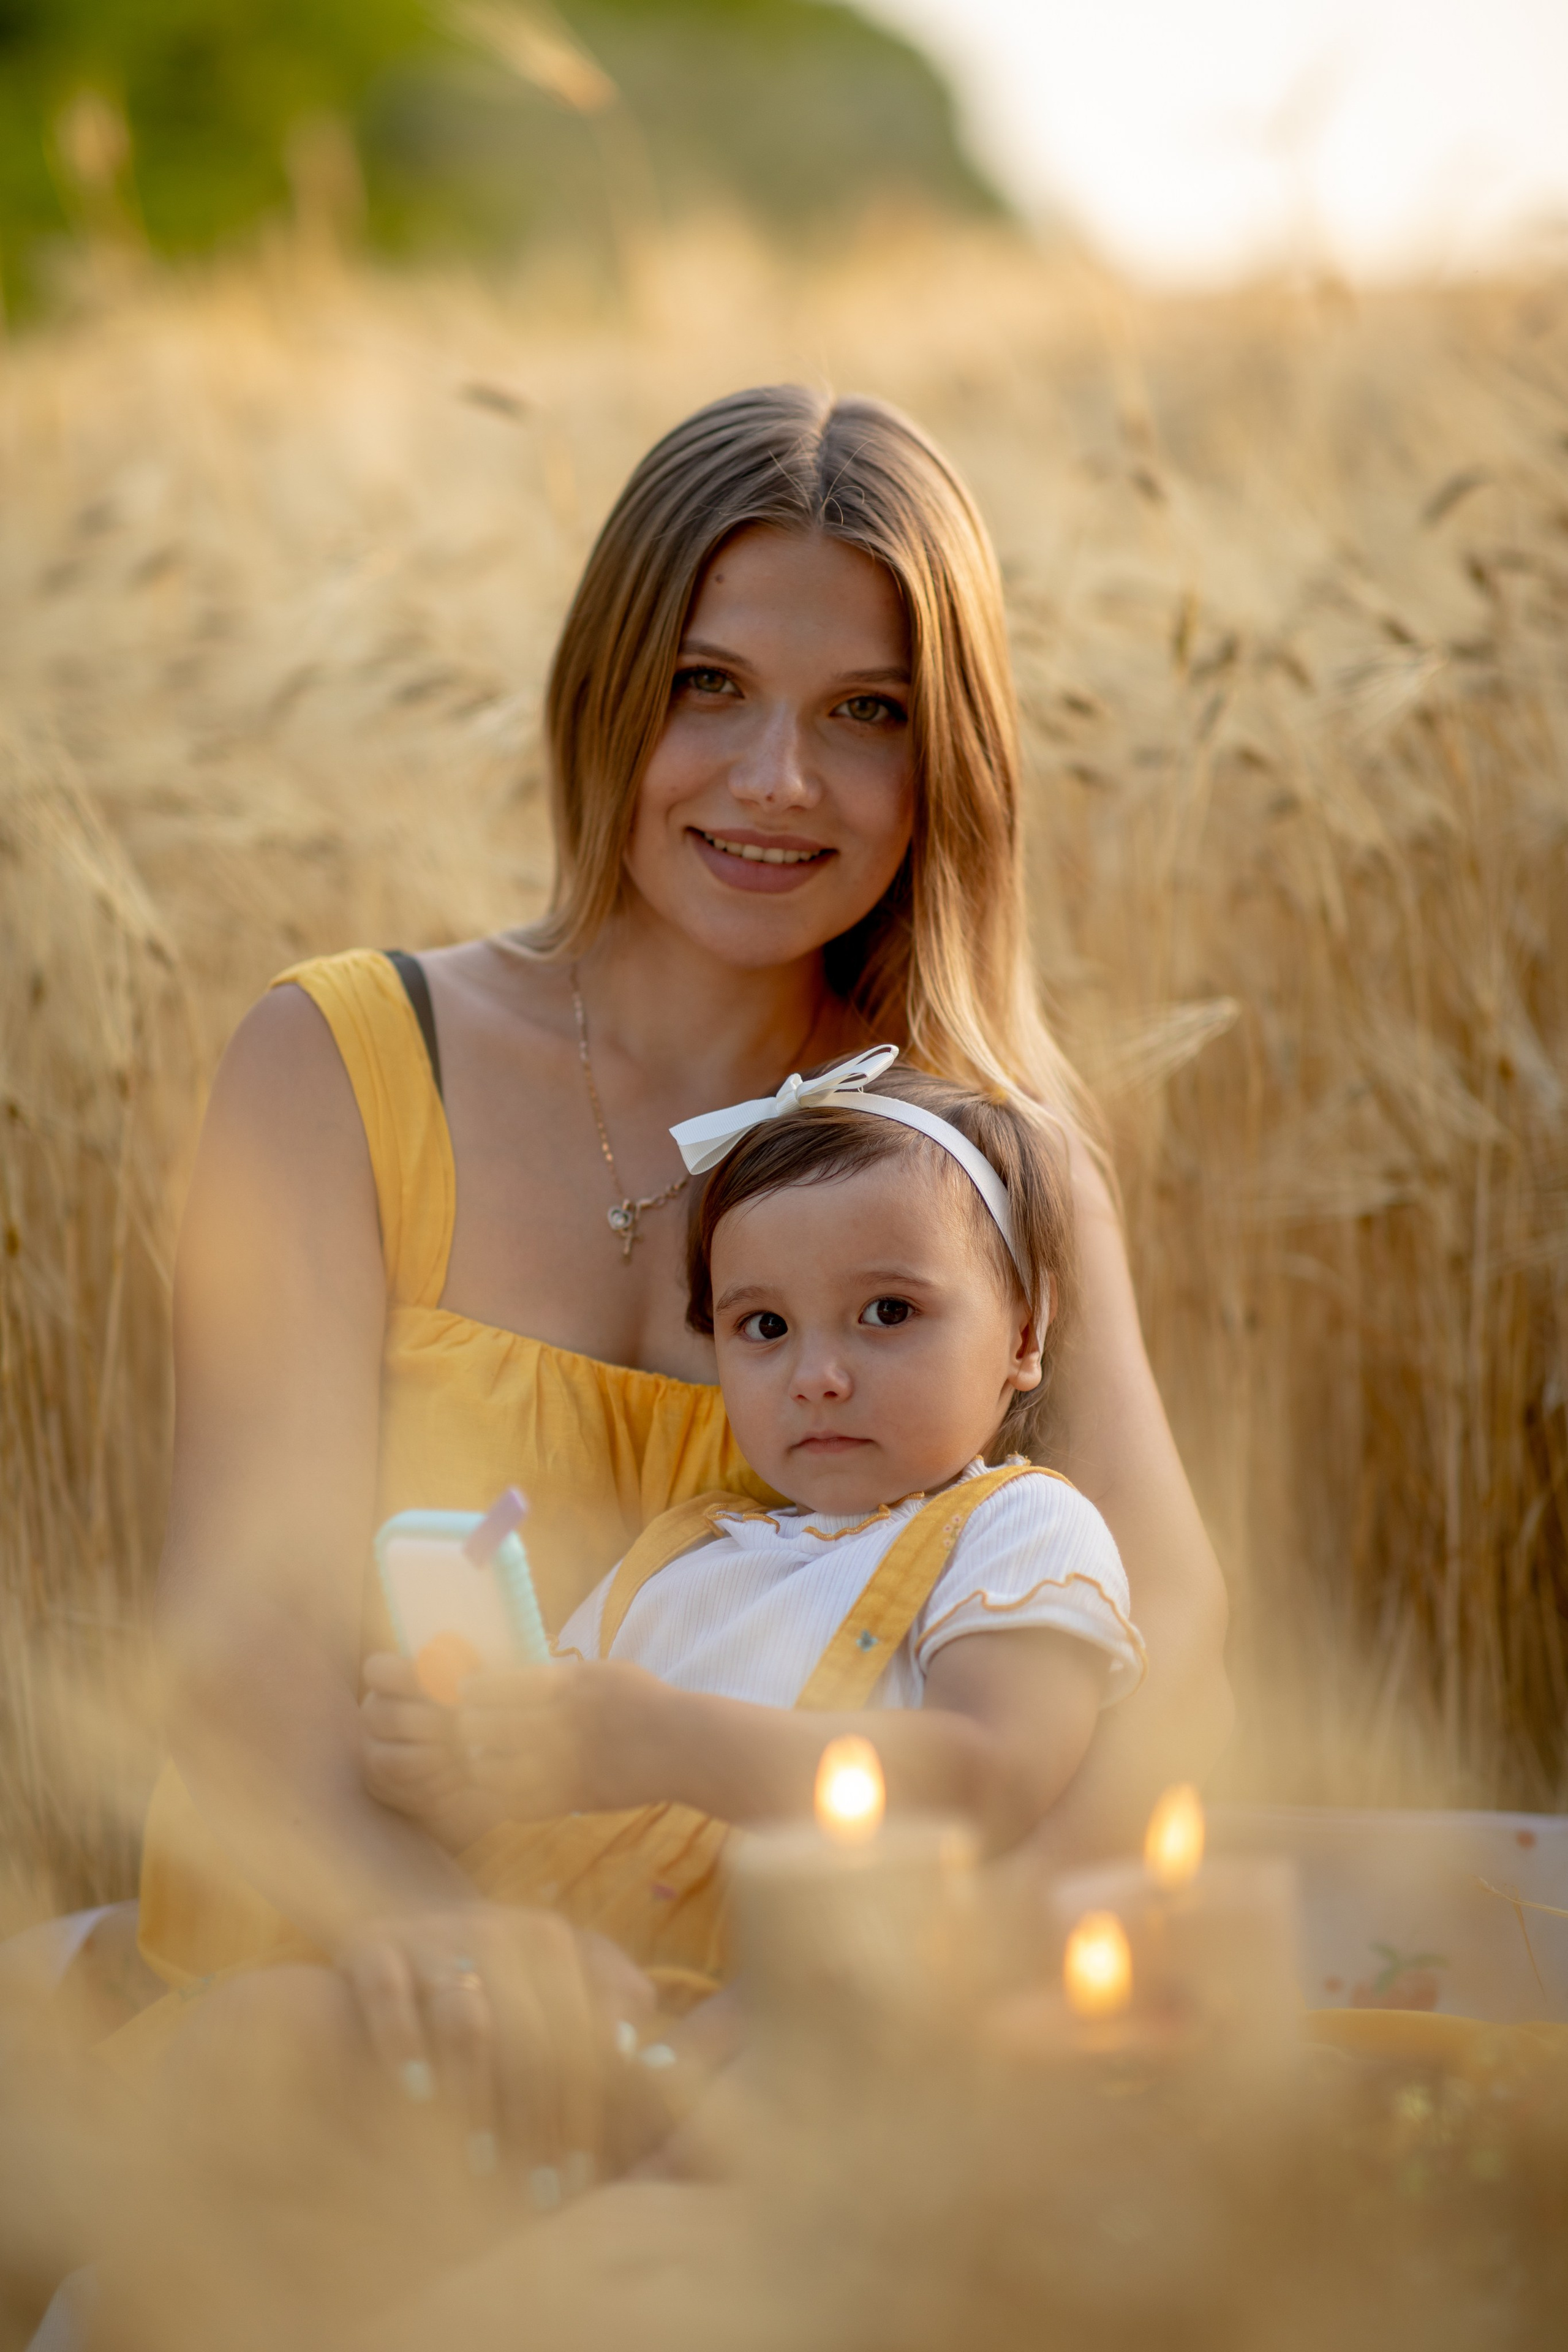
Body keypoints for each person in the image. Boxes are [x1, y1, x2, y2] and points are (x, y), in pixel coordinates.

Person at [127, 384, 1231, 2173]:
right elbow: (247, 1642)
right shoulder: (339, 1060)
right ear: (606, 693)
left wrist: (882, 1993)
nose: (777, 780)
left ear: (946, 758)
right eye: (708, 687)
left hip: (776, 2055)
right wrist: (445, 1934)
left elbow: (1168, 1652)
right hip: (360, 2001)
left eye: (865, 714)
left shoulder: (982, 1165)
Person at [360, 1053, 1146, 1998]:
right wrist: (453, 1752)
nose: (818, 1375)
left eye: (887, 1312)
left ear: (1024, 1335)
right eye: (765, 1327)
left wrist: (663, 1743)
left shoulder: (1016, 1525)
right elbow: (547, 1764)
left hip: (812, 2007)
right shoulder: (682, 1554)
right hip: (585, 1983)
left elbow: (992, 1776)